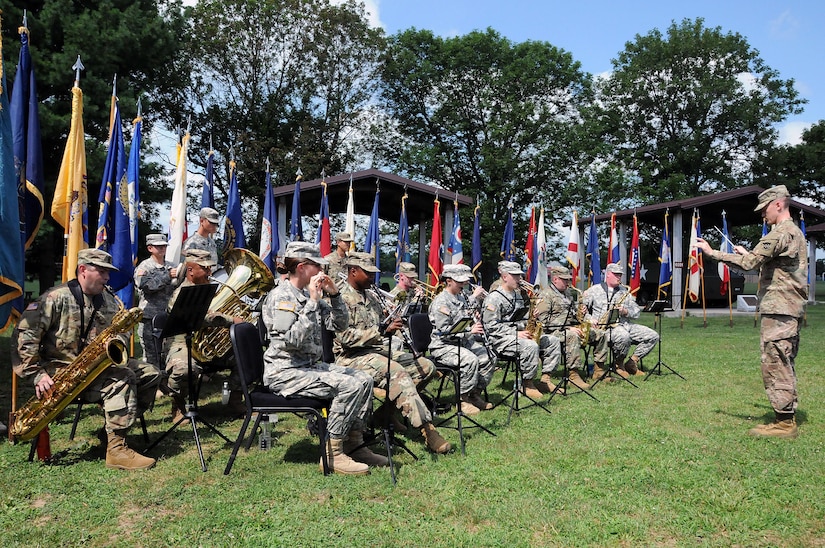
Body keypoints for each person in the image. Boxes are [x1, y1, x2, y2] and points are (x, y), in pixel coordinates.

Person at [14, 248, 160, 470]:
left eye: (107, 273)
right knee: (122, 379)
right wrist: (37, 374)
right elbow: (25, 337)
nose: (107, 278)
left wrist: (118, 337)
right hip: (60, 372)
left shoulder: (109, 301)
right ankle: (116, 451)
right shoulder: (55, 298)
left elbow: (121, 331)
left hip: (95, 366)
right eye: (101, 271)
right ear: (83, 270)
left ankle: (111, 431)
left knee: (151, 374)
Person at [262, 242, 384, 475]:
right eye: (317, 266)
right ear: (301, 268)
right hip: (285, 372)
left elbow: (339, 325)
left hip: (309, 367)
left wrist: (335, 296)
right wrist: (313, 302)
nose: (322, 271)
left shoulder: (309, 293)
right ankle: (332, 453)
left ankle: (353, 444)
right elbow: (292, 341)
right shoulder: (282, 297)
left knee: (365, 379)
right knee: (349, 386)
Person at [697, 185, 807, 439]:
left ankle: (784, 423)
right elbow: (774, 266)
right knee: (784, 360)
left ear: (778, 204)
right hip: (787, 308)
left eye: (764, 209)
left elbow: (749, 264)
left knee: (776, 361)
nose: (762, 215)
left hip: (780, 309)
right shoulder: (793, 233)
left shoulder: (782, 232)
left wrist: (713, 253)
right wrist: (750, 254)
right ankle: (785, 415)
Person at [335, 252, 451, 454]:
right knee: (397, 372)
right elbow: (345, 338)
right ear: (353, 271)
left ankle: (385, 414)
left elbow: (383, 326)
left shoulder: (371, 296)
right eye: (368, 273)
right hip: (350, 357)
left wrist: (392, 321)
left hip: (376, 351)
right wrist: (381, 330)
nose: (372, 277)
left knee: (426, 367)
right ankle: (427, 430)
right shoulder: (339, 298)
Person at [164, 249, 242, 422]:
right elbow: (204, 317)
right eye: (205, 268)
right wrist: (231, 319)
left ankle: (235, 401)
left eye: (210, 268)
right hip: (181, 343)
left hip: (206, 343)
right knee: (184, 369)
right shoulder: (181, 294)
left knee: (244, 357)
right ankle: (178, 406)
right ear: (190, 270)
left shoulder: (210, 290)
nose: (210, 272)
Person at [482, 261, 561, 398]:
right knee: (529, 346)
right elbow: (490, 327)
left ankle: (545, 379)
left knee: (552, 340)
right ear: (505, 277)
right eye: (515, 276)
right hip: (500, 339)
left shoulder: (518, 295)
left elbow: (520, 319)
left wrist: (532, 317)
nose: (519, 279)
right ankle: (527, 383)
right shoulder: (494, 298)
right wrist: (516, 333)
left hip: (517, 335)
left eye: (519, 276)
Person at [428, 264, 494, 414]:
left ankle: (474, 394)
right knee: (470, 360)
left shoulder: (461, 296)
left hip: (462, 342)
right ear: (449, 280)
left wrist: (474, 319)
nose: (464, 284)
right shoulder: (441, 302)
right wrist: (469, 331)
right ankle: (462, 399)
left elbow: (463, 318)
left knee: (489, 356)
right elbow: (444, 332)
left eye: (464, 281)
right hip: (443, 345)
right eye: (460, 281)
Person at [535, 265, 608, 390]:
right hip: (552, 332)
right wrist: (567, 328)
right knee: (572, 336)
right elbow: (543, 321)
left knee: (600, 334)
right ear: (555, 279)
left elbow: (573, 314)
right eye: (564, 280)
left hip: (569, 327)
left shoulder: (567, 293)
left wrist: (582, 314)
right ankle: (573, 375)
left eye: (568, 280)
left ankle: (598, 369)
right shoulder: (546, 295)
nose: (567, 283)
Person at [582, 262, 659, 380]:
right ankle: (619, 365)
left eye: (620, 275)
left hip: (624, 324)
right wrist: (590, 319)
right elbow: (580, 310)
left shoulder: (625, 291)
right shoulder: (593, 290)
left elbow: (637, 311)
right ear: (607, 275)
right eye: (616, 274)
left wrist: (625, 311)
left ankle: (632, 362)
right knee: (623, 336)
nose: (619, 277)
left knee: (652, 336)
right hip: (603, 328)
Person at [134, 233, 179, 368]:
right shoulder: (144, 267)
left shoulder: (171, 266)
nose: (162, 249)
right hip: (150, 318)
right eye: (158, 247)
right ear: (150, 248)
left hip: (168, 317)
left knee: (169, 351)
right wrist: (167, 276)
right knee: (151, 355)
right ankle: (152, 384)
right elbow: (146, 286)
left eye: (164, 246)